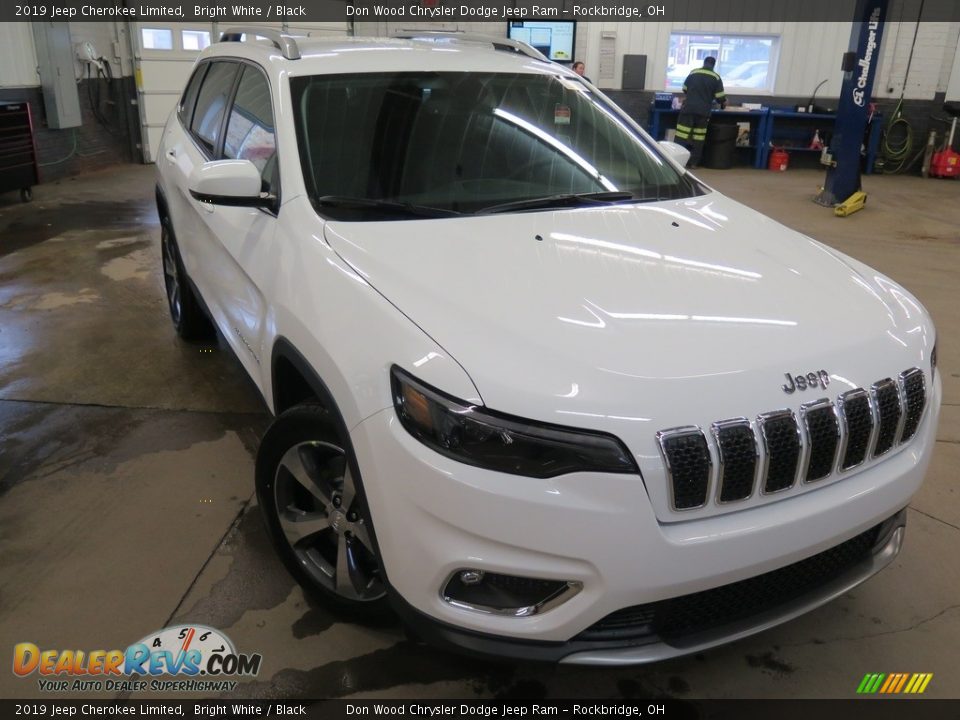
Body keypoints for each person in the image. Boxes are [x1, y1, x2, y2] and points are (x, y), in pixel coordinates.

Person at [675, 57, 726, 168]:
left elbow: (684, 88)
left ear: (704, 63)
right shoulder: (716, 77)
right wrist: (723, 102)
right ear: (713, 65)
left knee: (681, 135)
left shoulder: (694, 73)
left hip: (688, 109)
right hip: (703, 112)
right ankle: (693, 163)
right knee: (699, 138)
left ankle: (676, 161)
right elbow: (720, 98)